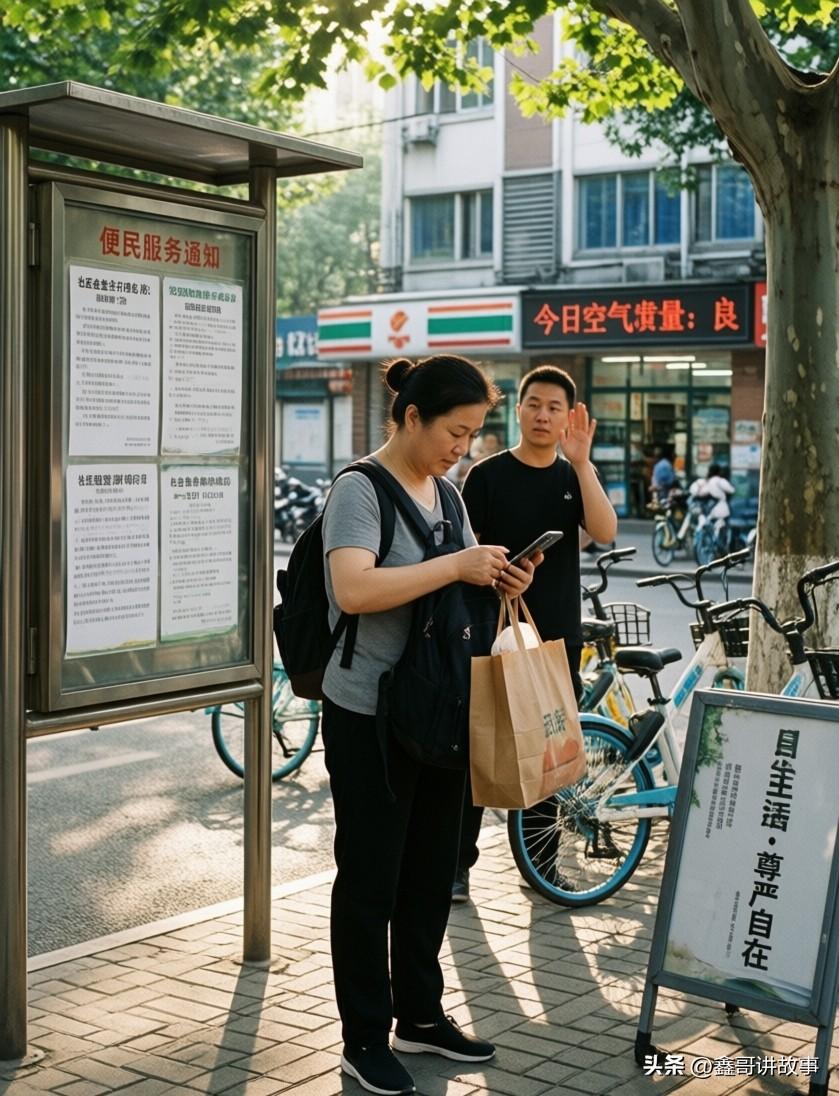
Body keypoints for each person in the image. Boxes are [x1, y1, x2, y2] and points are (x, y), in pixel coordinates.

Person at [322, 354, 537, 1096]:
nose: (463, 447)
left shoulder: (447, 491)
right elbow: (352, 589)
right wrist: (454, 568)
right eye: (455, 430)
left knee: (426, 877)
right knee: (370, 882)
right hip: (369, 715)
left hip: (441, 710)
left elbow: (456, 588)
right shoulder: (359, 489)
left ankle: (419, 1015)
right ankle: (362, 1038)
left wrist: (499, 575)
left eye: (474, 434)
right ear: (411, 416)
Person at [452, 364, 618, 903]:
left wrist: (584, 463)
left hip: (554, 640)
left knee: (549, 753)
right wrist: (500, 575)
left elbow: (605, 530)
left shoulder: (572, 476)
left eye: (555, 407)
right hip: (491, 634)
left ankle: (542, 867)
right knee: (482, 746)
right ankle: (457, 868)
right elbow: (463, 551)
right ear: (518, 409)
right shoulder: (486, 475)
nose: (544, 416)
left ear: (569, 416)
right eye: (534, 405)